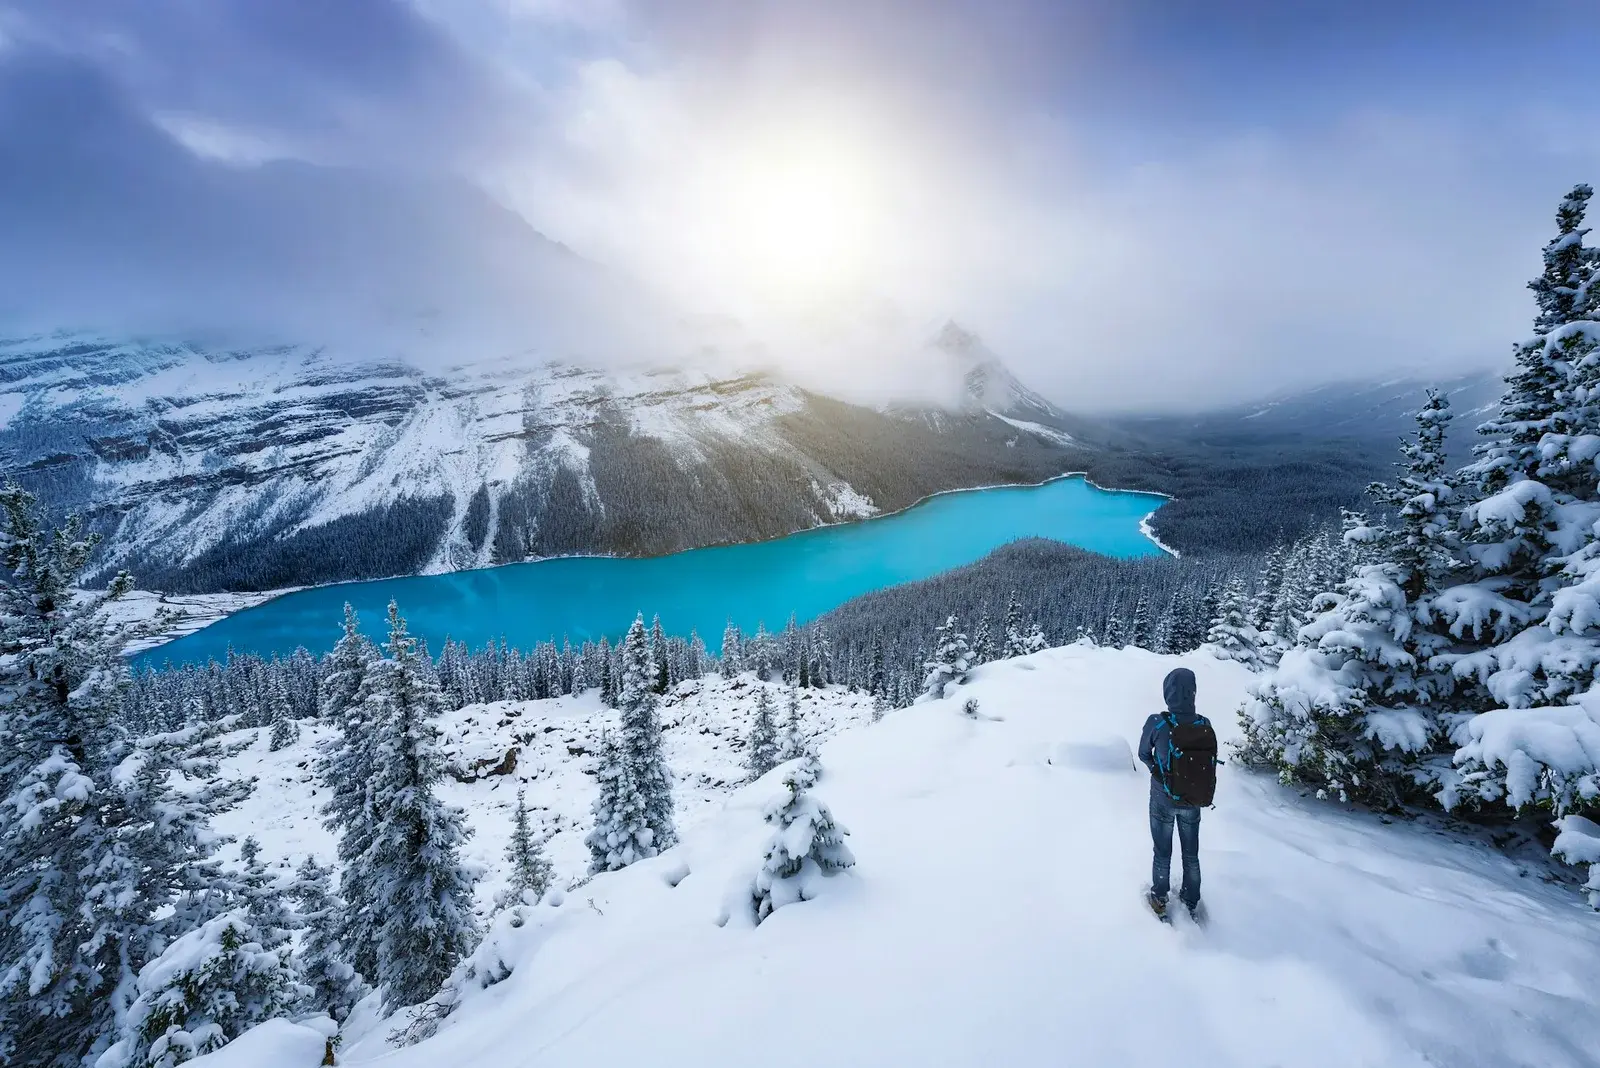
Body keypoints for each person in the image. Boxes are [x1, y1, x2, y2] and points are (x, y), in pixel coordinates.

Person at [1137, 667, 1217, 921]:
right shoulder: (1204, 723)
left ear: (1168, 692)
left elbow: (1143, 753)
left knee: (1162, 851)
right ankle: (1191, 900)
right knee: (1191, 853)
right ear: (1193, 692)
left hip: (1162, 798)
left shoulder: (1157, 722)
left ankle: (1160, 898)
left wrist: (1156, 771)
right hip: (1193, 798)